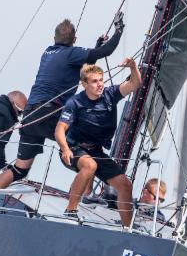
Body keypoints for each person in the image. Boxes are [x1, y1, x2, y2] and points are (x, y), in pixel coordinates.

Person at [0, 14, 125, 205]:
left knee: (19, 170)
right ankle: (81, 197)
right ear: (74, 40)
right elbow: (107, 51)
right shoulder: (72, 53)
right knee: (87, 146)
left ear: (54, 39)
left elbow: (84, 64)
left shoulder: (48, 52)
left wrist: (96, 46)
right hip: (50, 114)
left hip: (30, 116)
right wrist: (118, 32)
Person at [54, 58, 142, 228]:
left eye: (101, 80)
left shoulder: (110, 94)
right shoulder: (75, 102)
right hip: (74, 148)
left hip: (96, 151)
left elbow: (135, 84)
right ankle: (70, 210)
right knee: (90, 166)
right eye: (94, 81)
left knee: (125, 185)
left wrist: (133, 67)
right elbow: (59, 130)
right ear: (84, 84)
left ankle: (128, 229)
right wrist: (64, 148)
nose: (100, 84)